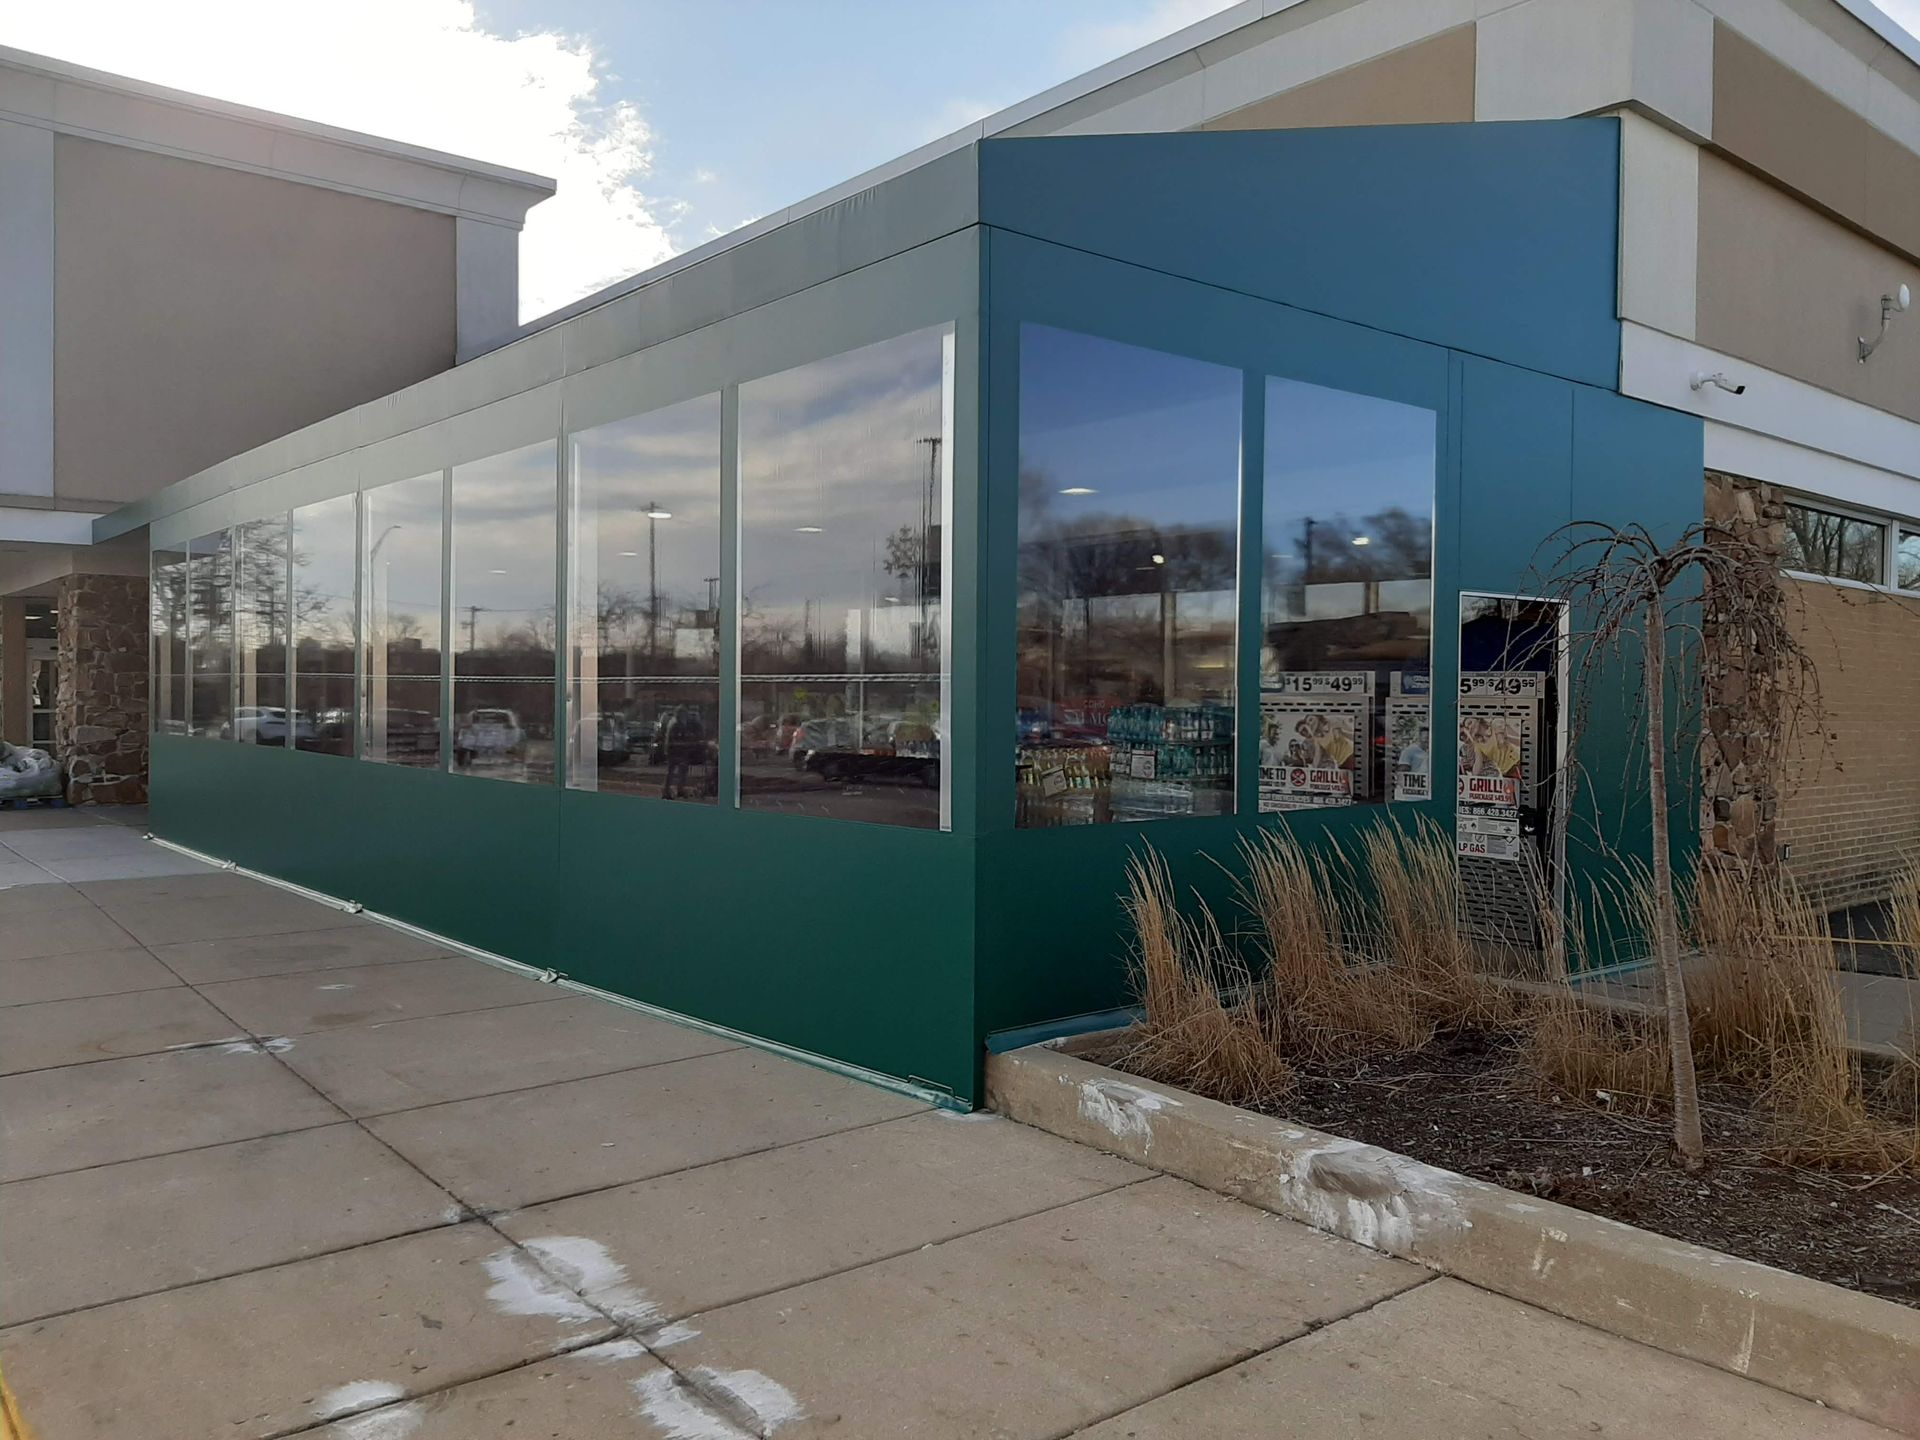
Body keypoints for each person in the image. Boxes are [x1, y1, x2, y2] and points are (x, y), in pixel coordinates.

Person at [663, 708, 707, 799]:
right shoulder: (676, 725)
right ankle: (668, 791)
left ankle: (678, 789)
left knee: (679, 772)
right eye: (684, 715)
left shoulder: (678, 724)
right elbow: (675, 740)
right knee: (673, 772)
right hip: (675, 753)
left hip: (678, 752)